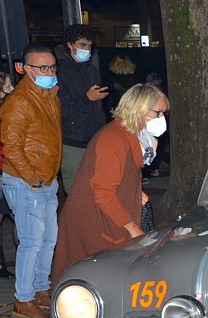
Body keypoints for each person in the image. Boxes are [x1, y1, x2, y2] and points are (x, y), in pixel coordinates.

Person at [51, 84, 169, 282]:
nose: (161, 119)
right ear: (138, 109)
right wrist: (132, 228)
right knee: (92, 282)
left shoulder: (133, 136)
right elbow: (103, 192)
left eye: (164, 113)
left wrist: (133, 192)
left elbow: (122, 175)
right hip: (95, 220)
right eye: (157, 113)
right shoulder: (113, 139)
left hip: (107, 216)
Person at [0, 43, 63, 318]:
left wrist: (46, 177)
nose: (49, 72)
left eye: (52, 66)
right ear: (25, 69)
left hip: (45, 178)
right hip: (26, 181)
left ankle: (40, 289)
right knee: (31, 242)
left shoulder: (50, 94)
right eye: (42, 67)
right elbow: (10, 147)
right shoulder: (19, 102)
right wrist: (32, 177)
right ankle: (23, 299)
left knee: (47, 240)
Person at [54, 23, 108, 193]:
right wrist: (86, 99)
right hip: (73, 141)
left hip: (94, 138)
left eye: (90, 45)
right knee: (77, 191)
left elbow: (96, 106)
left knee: (97, 188)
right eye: (83, 45)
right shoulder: (58, 71)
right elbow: (61, 109)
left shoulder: (91, 70)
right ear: (70, 45)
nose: (88, 49)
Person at [0, 71, 15, 278]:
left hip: (14, 168)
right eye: (8, 87)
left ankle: (24, 256)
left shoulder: (12, 109)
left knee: (18, 216)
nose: (12, 91)